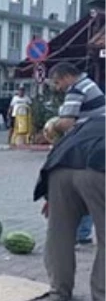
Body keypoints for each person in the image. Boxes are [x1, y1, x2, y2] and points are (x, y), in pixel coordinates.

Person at [33, 112, 106, 301]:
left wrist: (50, 196)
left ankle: (59, 292)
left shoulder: (91, 121)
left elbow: (59, 148)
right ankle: (103, 300)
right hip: (99, 170)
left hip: (60, 171)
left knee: (59, 233)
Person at [49, 62, 106, 244]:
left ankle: (78, 233)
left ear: (66, 77)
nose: (58, 88)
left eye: (58, 83)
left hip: (89, 145)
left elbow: (67, 123)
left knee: (79, 188)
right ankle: (82, 232)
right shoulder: (88, 83)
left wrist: (51, 125)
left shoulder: (76, 89)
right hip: (98, 140)